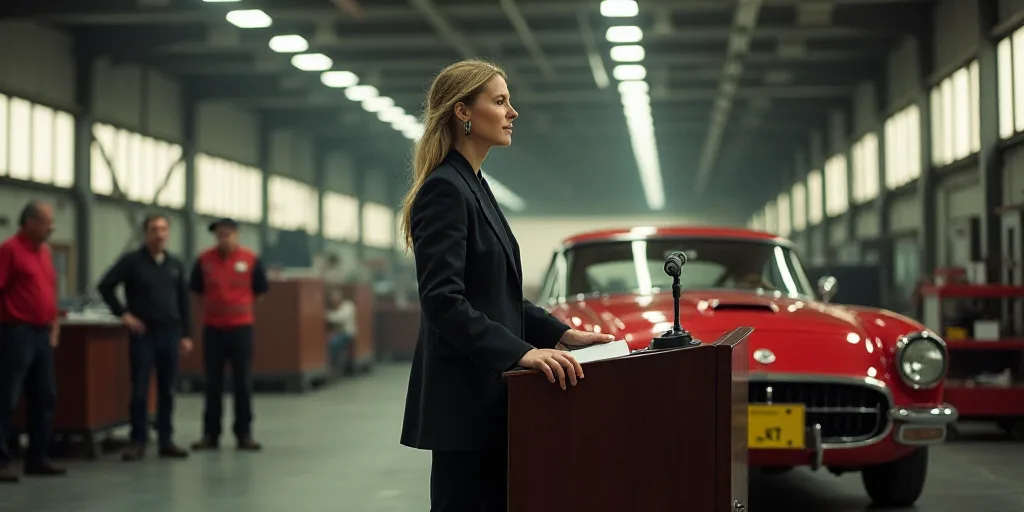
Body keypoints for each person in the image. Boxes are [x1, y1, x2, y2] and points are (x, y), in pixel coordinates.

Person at [397, 60, 615, 511]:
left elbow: (495, 294)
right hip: (465, 403)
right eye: (500, 101)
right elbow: (442, 301)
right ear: (463, 112)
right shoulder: (445, 190)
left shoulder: (474, 185)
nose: (512, 112)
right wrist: (520, 352)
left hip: (491, 395)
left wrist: (559, 334)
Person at [96, 213, 193, 461]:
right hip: (144, 335)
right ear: (145, 234)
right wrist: (123, 314)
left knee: (167, 390)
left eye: (163, 229)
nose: (159, 235)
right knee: (139, 390)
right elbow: (105, 285)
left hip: (170, 334)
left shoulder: (175, 264)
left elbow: (184, 301)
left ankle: (166, 440)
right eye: (154, 230)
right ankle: (137, 441)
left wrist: (187, 334)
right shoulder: (132, 262)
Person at [0, 201, 66, 482]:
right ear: (29, 222)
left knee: (44, 396)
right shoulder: (10, 250)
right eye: (46, 221)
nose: (51, 227)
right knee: (6, 397)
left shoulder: (46, 252)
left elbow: (49, 290)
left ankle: (38, 457)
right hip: (17, 332)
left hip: (42, 333)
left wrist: (54, 324)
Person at [189, 217, 269, 451]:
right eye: (220, 235)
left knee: (242, 381)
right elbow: (196, 292)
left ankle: (244, 433)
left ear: (237, 235)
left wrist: (240, 306)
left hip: (241, 328)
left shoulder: (251, 260)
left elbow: (261, 292)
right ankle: (210, 435)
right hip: (213, 328)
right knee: (212, 382)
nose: (224, 239)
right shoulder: (204, 260)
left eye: (228, 234)